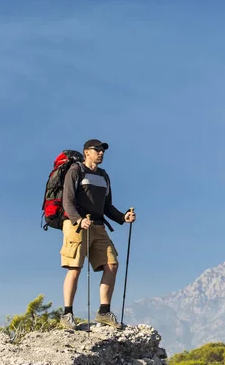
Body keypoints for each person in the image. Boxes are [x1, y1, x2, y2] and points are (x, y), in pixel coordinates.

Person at [59, 139, 136, 330]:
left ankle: (103, 311)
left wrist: (123, 217)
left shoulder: (104, 176)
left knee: (112, 264)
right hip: (76, 225)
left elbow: (107, 206)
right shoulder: (75, 171)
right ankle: (67, 313)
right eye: (97, 150)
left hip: (98, 226)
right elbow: (67, 201)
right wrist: (78, 220)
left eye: (103, 150)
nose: (101, 153)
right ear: (86, 152)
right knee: (75, 268)